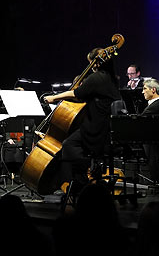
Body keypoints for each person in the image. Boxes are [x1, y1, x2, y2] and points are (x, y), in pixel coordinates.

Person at [44, 47, 121, 194]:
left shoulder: (97, 77)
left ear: (96, 63)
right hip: (107, 127)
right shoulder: (111, 78)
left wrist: (54, 97)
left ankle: (82, 181)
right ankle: (90, 172)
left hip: (97, 130)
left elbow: (76, 93)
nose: (90, 67)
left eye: (91, 63)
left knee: (68, 145)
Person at [140, 79, 159, 183]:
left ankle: (156, 183)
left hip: (152, 141)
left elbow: (141, 119)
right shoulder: (155, 104)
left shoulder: (156, 105)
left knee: (153, 162)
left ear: (153, 90)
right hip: (152, 141)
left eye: (145, 89)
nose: (143, 92)